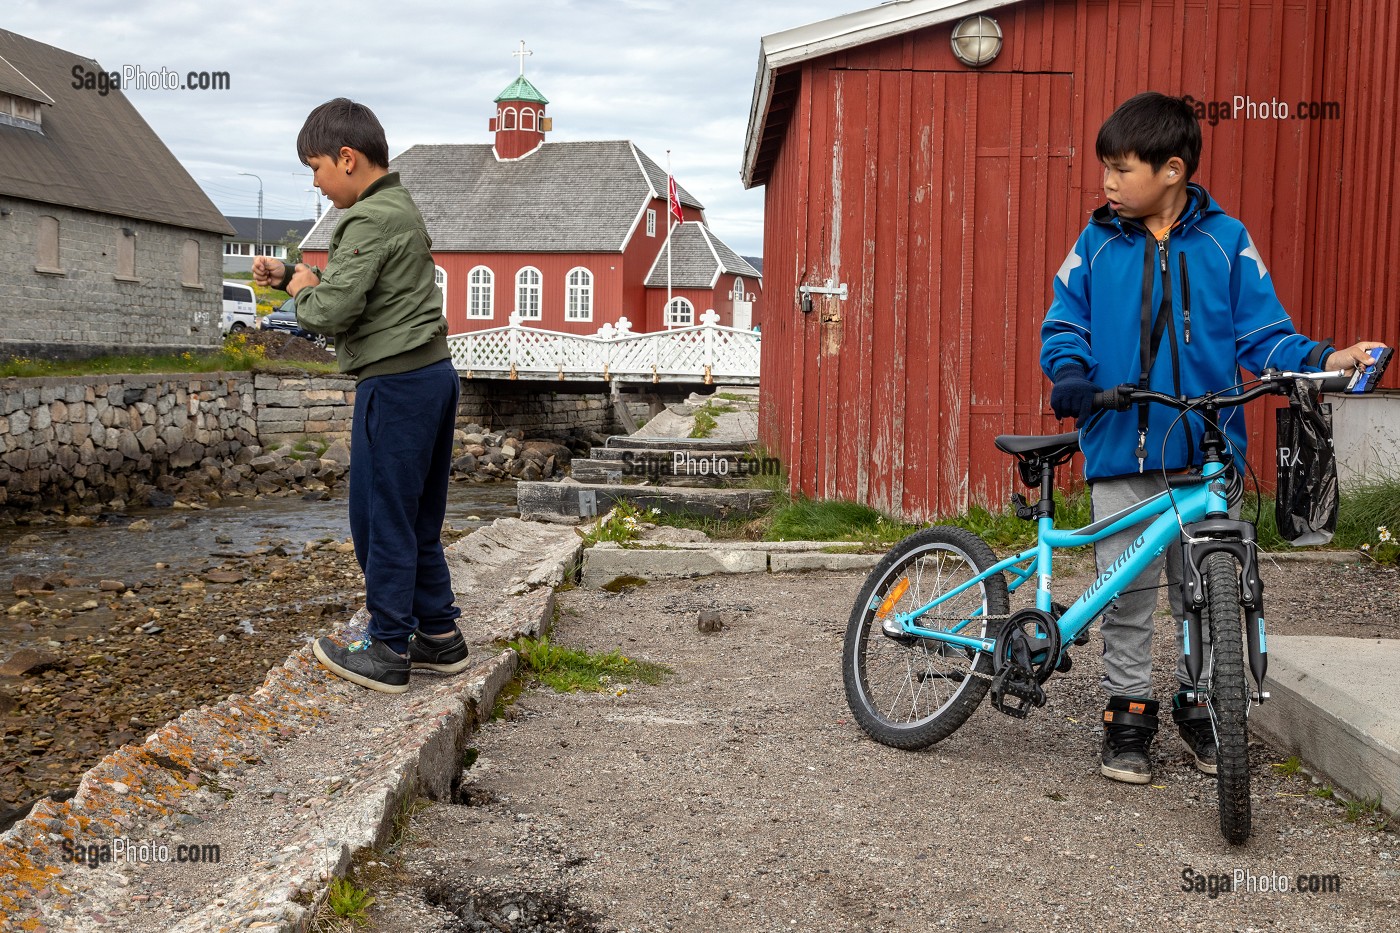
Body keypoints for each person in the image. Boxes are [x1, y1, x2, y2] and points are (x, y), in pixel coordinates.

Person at [1040, 91, 1381, 784]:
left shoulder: (1227, 242)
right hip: (1119, 448)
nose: (1106, 181)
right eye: (1105, 167)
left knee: (1205, 589)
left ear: (1172, 170)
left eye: (1120, 168)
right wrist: (1072, 375)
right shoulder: (1096, 242)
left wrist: (1325, 358)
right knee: (1126, 591)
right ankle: (1127, 714)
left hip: (1207, 452)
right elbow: (1064, 322)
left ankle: (1203, 704)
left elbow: (1264, 334)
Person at [252, 98, 468, 694]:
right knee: (417, 514)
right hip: (431, 375)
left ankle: (388, 648)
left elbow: (331, 311)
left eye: (316, 168)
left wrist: (300, 290)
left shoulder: (365, 220)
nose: (317, 184)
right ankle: (440, 636)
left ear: (347, 159)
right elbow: (367, 293)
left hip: (394, 384)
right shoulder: (397, 207)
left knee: (379, 517)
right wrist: (301, 273)